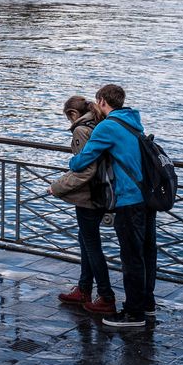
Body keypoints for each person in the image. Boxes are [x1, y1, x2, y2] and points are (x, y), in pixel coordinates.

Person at [67, 84, 157, 328]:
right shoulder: (133, 121)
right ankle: (147, 304)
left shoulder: (107, 126)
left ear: (102, 101)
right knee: (147, 253)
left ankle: (134, 313)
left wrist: (71, 160)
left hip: (129, 198)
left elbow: (84, 159)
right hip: (146, 197)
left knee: (132, 257)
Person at [50, 96, 116, 315]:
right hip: (103, 193)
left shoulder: (81, 130)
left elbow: (85, 171)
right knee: (87, 240)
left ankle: (106, 296)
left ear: (72, 114)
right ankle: (84, 289)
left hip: (90, 197)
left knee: (91, 245)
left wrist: (57, 187)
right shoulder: (99, 122)